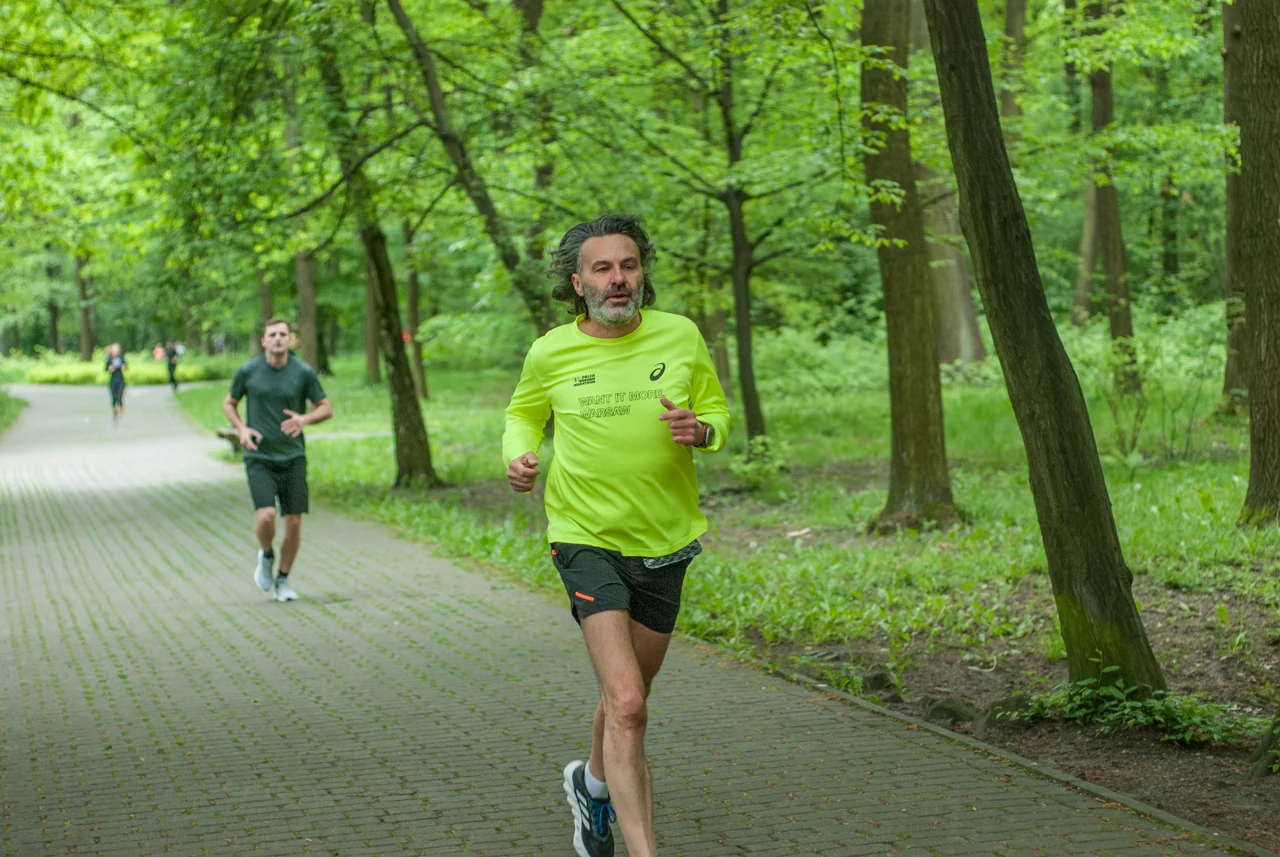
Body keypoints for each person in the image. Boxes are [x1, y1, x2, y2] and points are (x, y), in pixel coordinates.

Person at [503, 215, 729, 857]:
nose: (618, 278)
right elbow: (523, 414)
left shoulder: (680, 335)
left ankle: (591, 786)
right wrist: (518, 456)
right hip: (584, 537)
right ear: (578, 283)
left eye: (628, 265)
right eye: (602, 268)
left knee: (627, 694)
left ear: (642, 273)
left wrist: (703, 431)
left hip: (665, 540)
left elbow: (716, 412)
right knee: (628, 703)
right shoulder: (550, 351)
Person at [223, 318, 332, 603]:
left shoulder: (302, 372)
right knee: (266, 515)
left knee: (293, 522)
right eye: (272, 335)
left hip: (293, 456)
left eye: (283, 334)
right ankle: (267, 554)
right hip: (258, 455)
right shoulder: (248, 371)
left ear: (290, 339)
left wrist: (304, 419)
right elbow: (229, 403)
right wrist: (241, 428)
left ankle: (283, 579)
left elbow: (326, 408)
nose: (278, 339)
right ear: (264, 341)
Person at [104, 344, 127, 425]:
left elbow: (125, 367)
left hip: (120, 381)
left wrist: (123, 367)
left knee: (119, 398)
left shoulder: (121, 358)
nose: (115, 353)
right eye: (114, 351)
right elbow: (106, 369)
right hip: (112, 381)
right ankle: (115, 413)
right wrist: (109, 369)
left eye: (116, 351)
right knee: (114, 399)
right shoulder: (109, 360)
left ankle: (120, 416)